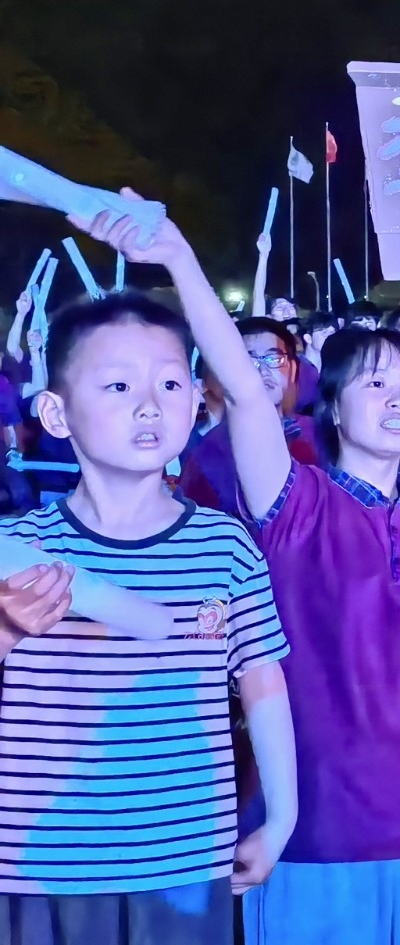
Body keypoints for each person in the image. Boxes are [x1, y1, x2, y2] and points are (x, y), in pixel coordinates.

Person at [75, 192, 400, 944]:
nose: (399, 399)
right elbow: (244, 389)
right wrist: (179, 258)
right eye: (375, 383)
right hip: (319, 822)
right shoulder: (295, 502)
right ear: (333, 407)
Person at [0, 290, 296, 945]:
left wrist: (282, 818)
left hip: (185, 858)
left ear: (196, 399)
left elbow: (262, 682)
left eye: (169, 383)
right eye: (118, 385)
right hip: (42, 863)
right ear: (55, 413)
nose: (149, 405)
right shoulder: (19, 548)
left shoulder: (225, 547)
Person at [177, 317, 321, 518]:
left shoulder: (320, 434)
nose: (262, 370)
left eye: (274, 359)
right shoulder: (207, 453)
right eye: (249, 361)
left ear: (293, 369)